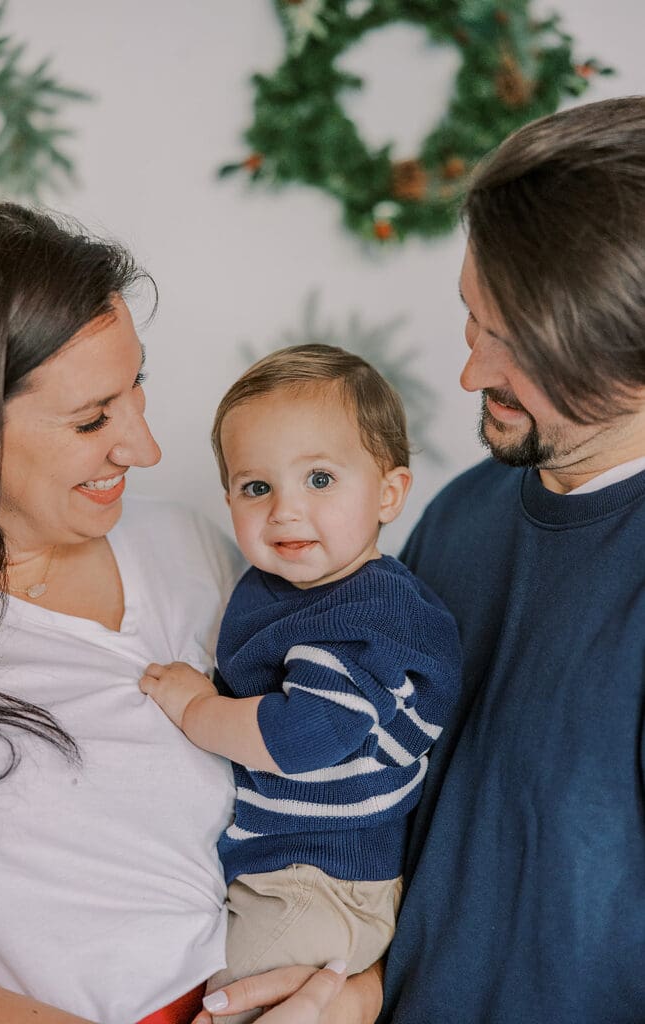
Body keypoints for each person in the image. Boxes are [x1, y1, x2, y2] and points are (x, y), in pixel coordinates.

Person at [195, 94, 645, 1024]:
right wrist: (361, 993)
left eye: (519, 349)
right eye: (474, 318)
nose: (470, 373)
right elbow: (424, 828)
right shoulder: (464, 515)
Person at [0, 201, 372, 1024]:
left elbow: (350, 793)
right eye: (91, 420)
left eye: (136, 388)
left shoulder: (191, 547)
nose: (144, 449)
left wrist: (351, 997)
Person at [139, 346, 462, 1023]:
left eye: (319, 479)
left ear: (388, 493)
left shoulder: (369, 613)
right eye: (257, 488)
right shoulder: (285, 586)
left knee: (243, 1001)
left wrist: (197, 708)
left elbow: (301, 736)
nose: (285, 510)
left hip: (321, 887)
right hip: (284, 871)